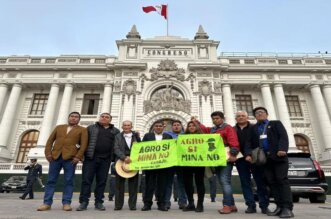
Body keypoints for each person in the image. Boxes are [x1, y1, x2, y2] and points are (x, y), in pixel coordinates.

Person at [247, 107, 294, 218]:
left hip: (278, 157)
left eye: (262, 112)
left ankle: (287, 208)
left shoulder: (275, 124)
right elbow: (249, 143)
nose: (259, 114)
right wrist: (248, 154)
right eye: (257, 113)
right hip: (264, 160)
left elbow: (283, 136)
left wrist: (282, 149)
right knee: (271, 182)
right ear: (255, 116)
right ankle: (279, 206)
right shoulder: (254, 128)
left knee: (281, 180)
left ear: (267, 114)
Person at [37, 112, 88, 211]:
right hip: (55, 158)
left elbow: (83, 145)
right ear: (68, 118)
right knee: (51, 181)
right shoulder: (59, 127)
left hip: (70, 159)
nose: (73, 118)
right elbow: (49, 141)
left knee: (69, 181)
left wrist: (78, 157)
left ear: (79, 119)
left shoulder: (82, 130)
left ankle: (66, 203)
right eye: (72, 116)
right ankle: (46, 203)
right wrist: (48, 154)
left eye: (76, 117)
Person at [193, 111, 240, 214]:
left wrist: (233, 154)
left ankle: (227, 205)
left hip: (226, 158)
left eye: (217, 118)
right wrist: (196, 121)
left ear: (222, 118)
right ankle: (232, 205)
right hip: (216, 159)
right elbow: (204, 130)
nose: (215, 120)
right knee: (223, 181)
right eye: (213, 119)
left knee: (224, 181)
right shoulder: (212, 130)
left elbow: (233, 141)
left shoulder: (228, 128)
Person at [76, 113, 120, 211]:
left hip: (105, 160)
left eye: (107, 117)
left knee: (102, 182)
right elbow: (81, 142)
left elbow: (118, 145)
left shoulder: (115, 131)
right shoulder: (91, 128)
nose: (104, 118)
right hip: (90, 159)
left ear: (110, 120)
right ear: (99, 118)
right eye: (102, 116)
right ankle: (83, 202)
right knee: (86, 181)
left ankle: (99, 202)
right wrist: (80, 155)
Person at [234, 111, 269, 214]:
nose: (241, 118)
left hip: (255, 158)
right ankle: (250, 205)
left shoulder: (254, 127)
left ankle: (264, 206)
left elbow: (260, 142)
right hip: (240, 160)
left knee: (260, 182)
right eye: (238, 116)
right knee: (245, 183)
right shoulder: (233, 129)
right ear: (236, 118)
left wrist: (250, 154)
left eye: (243, 116)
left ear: (247, 117)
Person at [141, 120, 173, 211]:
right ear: (153, 127)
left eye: (160, 126)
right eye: (156, 126)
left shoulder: (168, 136)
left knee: (162, 185)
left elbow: (171, 150)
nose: (158, 127)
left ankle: (161, 204)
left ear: (163, 127)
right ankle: (147, 203)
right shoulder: (147, 136)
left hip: (163, 165)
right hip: (150, 165)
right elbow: (142, 149)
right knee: (149, 185)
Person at [113, 120, 141, 210]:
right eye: (125, 125)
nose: (126, 127)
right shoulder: (117, 136)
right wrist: (124, 157)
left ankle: (132, 205)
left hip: (133, 162)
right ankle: (118, 205)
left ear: (131, 126)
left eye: (128, 125)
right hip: (120, 162)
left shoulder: (136, 135)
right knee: (119, 186)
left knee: (133, 186)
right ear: (122, 126)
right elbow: (116, 148)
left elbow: (140, 147)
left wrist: (133, 157)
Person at [181, 121, 205, 213]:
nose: (191, 127)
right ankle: (191, 203)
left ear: (197, 127)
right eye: (189, 126)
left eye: (193, 126)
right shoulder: (183, 137)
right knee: (188, 183)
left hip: (199, 162)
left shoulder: (202, 137)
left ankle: (200, 204)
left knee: (199, 182)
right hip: (187, 163)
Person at [164, 120, 187, 209]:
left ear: (181, 126)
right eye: (174, 125)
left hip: (182, 162)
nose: (176, 126)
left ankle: (183, 202)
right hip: (170, 161)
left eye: (178, 125)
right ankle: (166, 202)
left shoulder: (186, 136)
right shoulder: (167, 135)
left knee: (182, 183)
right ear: (172, 126)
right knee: (168, 183)